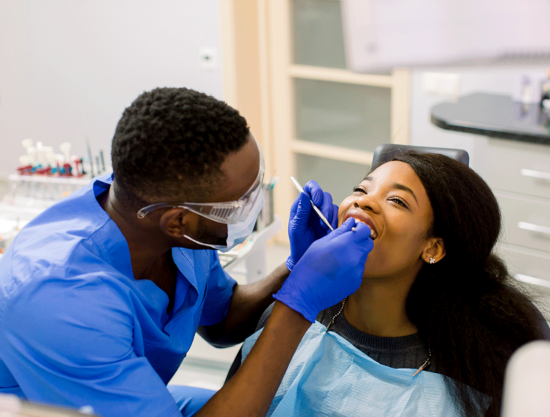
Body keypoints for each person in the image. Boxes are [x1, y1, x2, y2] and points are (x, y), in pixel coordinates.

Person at [0, 87, 374, 417]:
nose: (255, 206)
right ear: (178, 220)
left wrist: (294, 268)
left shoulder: (178, 233)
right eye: (240, 203)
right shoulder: (60, 296)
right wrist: (299, 305)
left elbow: (221, 321)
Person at [229, 151, 550, 417]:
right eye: (361, 189)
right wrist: (295, 276)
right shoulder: (293, 312)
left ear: (433, 247)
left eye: (397, 201)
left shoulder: (473, 366)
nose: (363, 203)